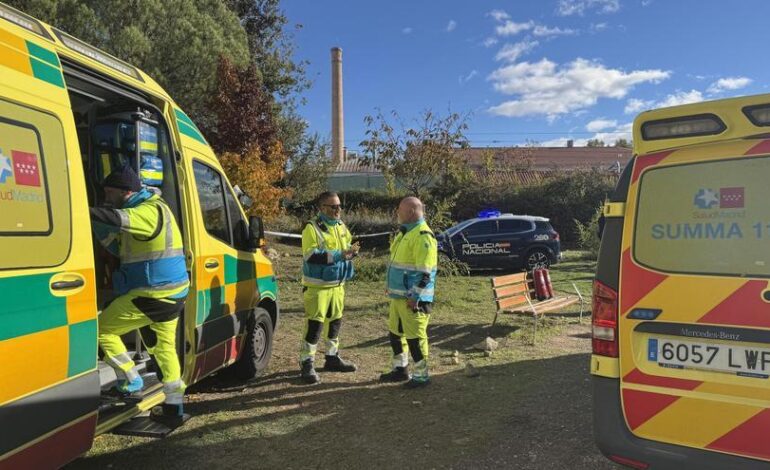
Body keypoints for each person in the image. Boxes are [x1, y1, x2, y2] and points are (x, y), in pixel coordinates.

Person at [90, 165, 189, 425]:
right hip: (170, 293)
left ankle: (131, 379)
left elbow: (117, 219)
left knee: (101, 331)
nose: (106, 197)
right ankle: (174, 408)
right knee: (163, 348)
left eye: (109, 192)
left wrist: (79, 209)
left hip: (153, 295)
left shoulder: (146, 212)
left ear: (125, 192)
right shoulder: (156, 208)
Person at [299, 191, 360, 384]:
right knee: (315, 326)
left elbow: (346, 248)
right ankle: (307, 363)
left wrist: (352, 253)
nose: (338, 210)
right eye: (333, 207)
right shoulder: (312, 228)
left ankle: (332, 358)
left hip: (338, 286)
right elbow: (310, 255)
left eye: (340, 206)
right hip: (318, 288)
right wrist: (340, 255)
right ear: (322, 208)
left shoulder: (341, 226)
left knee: (335, 324)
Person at [380, 197, 438, 388]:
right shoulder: (405, 232)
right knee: (395, 334)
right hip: (398, 297)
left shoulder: (422, 236)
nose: (397, 212)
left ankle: (421, 375)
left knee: (415, 338)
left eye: (400, 210)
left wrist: (415, 296)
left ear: (412, 212)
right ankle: (400, 370)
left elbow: (425, 273)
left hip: (413, 300)